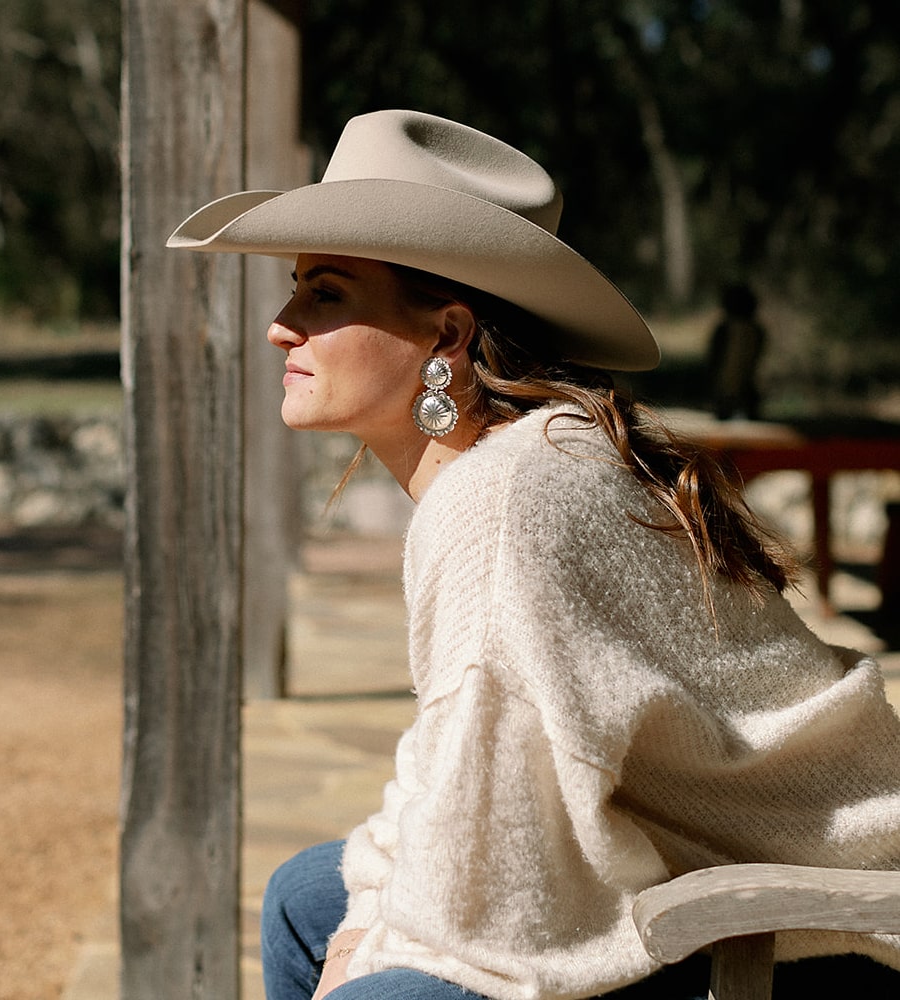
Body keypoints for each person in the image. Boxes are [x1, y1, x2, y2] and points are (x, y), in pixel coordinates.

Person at [168, 110, 900, 999]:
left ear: (445, 335)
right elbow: (459, 750)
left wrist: (377, 949)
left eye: (324, 294)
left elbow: (496, 851)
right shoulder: (525, 457)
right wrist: (369, 915)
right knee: (305, 901)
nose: (282, 326)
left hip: (813, 926)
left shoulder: (508, 497)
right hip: (693, 860)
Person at [706, 282, 767, 420]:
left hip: (739, 389)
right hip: (732, 390)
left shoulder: (734, 330)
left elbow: (715, 360)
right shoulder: (754, 330)